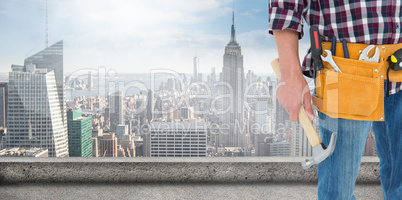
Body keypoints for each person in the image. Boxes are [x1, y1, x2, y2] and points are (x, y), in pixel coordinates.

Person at [269, 1, 402, 199]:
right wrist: (290, 75)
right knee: (337, 193)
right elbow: (285, 5)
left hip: (398, 70)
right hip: (343, 76)